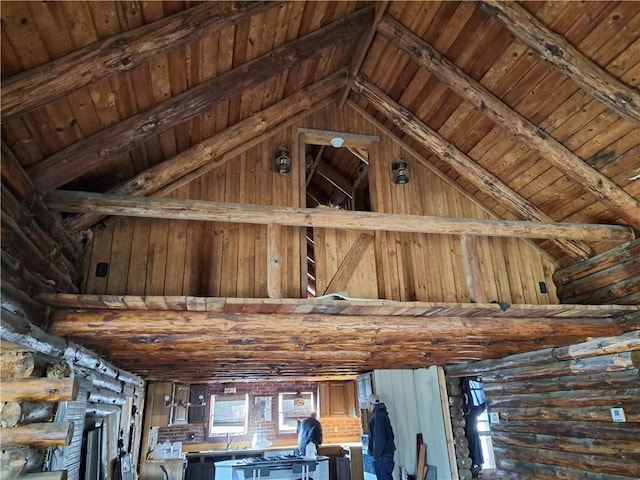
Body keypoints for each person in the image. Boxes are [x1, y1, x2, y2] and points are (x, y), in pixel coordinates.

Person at [367, 393, 396, 480]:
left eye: (368, 403)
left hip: (382, 457)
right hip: (386, 455)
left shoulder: (377, 416)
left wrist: (376, 456)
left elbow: (380, 438)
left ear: (371, 404)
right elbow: (391, 435)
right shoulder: (383, 414)